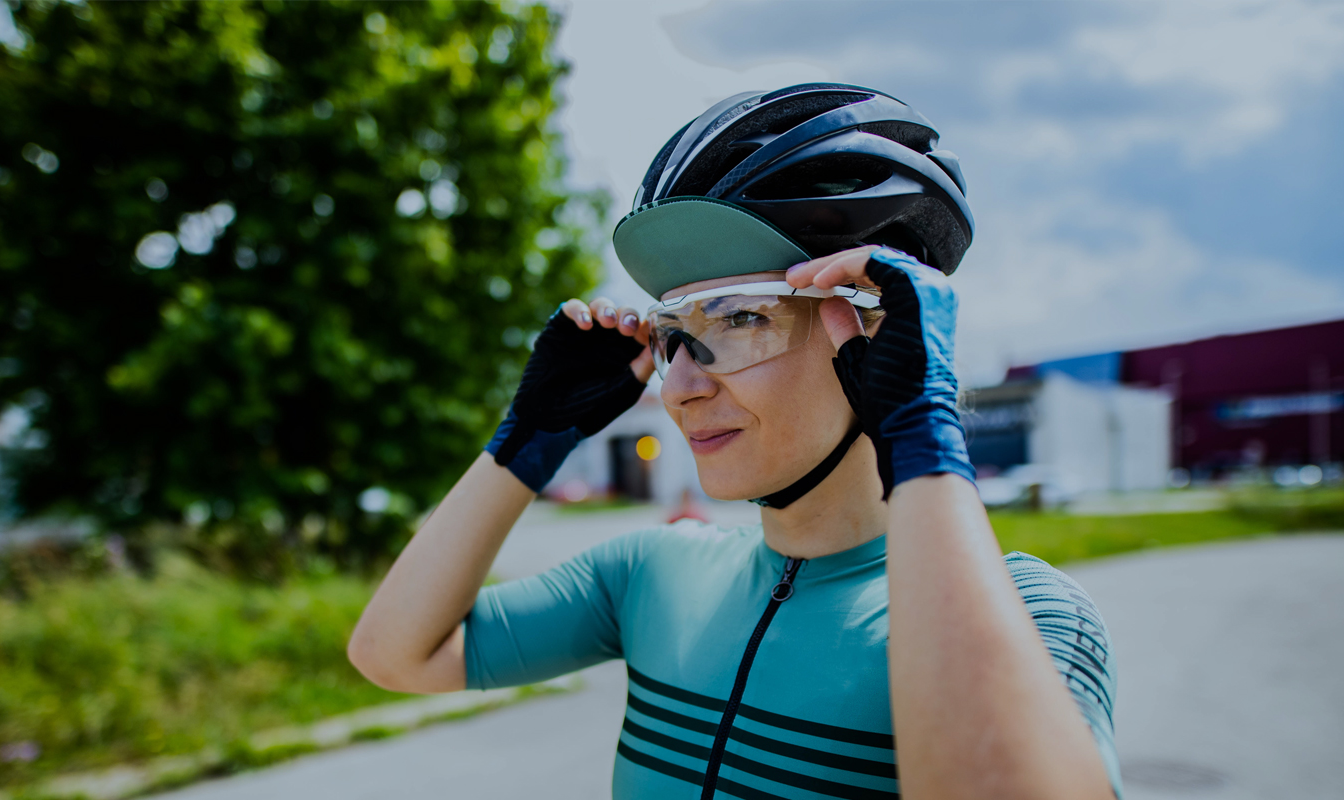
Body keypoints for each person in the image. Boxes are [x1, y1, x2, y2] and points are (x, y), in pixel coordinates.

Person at [348, 84, 1121, 799]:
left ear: (879, 330)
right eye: (674, 334)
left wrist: (921, 430)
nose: (679, 386)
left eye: (741, 319)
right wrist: (525, 443)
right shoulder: (649, 574)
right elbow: (395, 652)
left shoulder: (1031, 616)